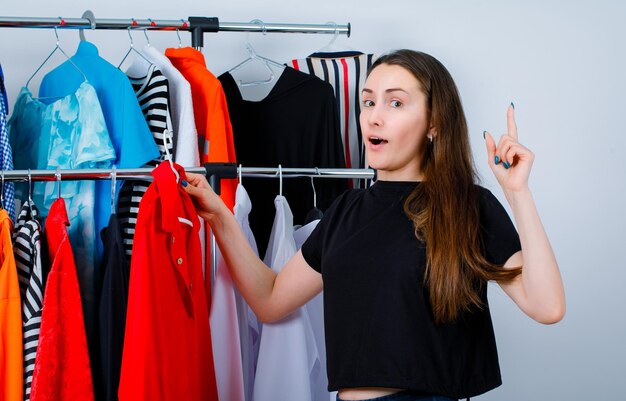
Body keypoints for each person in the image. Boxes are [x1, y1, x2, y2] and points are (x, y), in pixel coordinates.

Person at [182, 49, 565, 401]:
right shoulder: (347, 210)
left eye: (395, 103)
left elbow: (546, 306)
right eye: (368, 102)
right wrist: (220, 219)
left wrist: (518, 194)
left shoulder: (468, 207)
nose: (374, 116)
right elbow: (270, 301)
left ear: (434, 122)